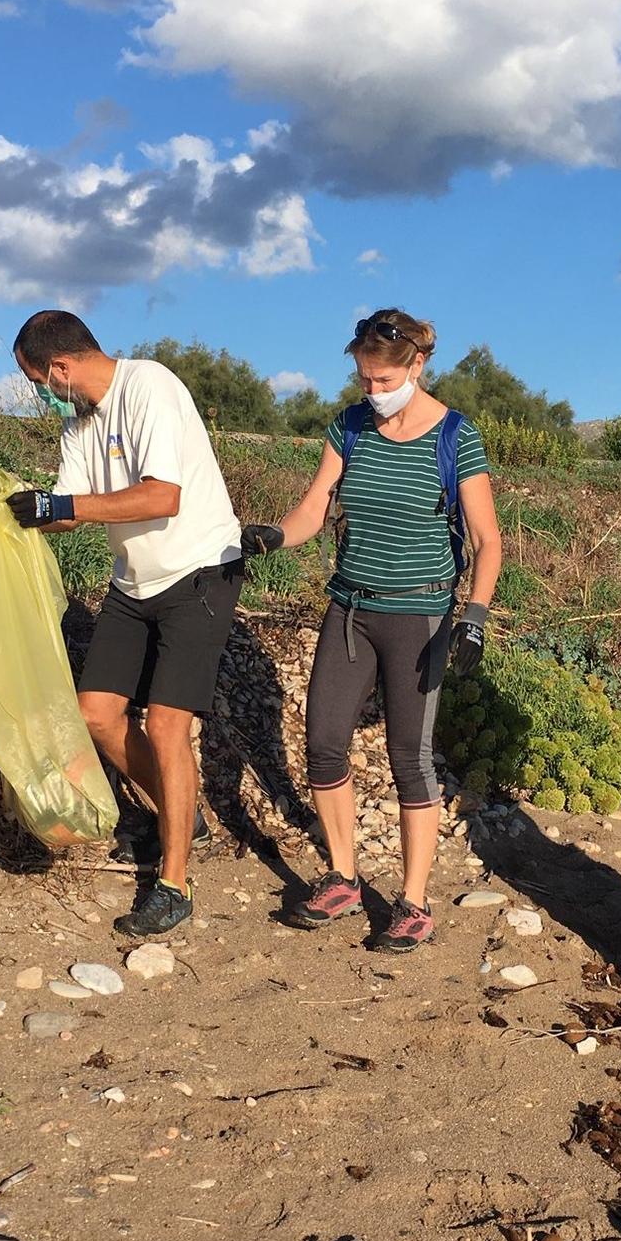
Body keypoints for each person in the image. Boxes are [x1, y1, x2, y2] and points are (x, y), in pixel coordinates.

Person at [238, 308, 503, 951]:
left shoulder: (456, 437)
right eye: (364, 379)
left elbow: (488, 541)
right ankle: (343, 877)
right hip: (350, 611)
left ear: (416, 365)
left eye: (384, 379)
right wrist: (269, 538)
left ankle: (413, 904)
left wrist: (473, 618)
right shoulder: (350, 426)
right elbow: (314, 507)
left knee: (411, 760)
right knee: (323, 744)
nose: (373, 391)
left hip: (421, 615)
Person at [5, 309, 242, 937]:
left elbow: (163, 496)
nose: (42, 395)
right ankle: (180, 814)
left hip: (199, 573)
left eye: (37, 381)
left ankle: (173, 883)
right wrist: (26, 511)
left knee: (167, 726)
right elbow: (70, 503)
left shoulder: (151, 387)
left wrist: (68, 507)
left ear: (60, 367)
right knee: (97, 714)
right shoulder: (80, 424)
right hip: (133, 581)